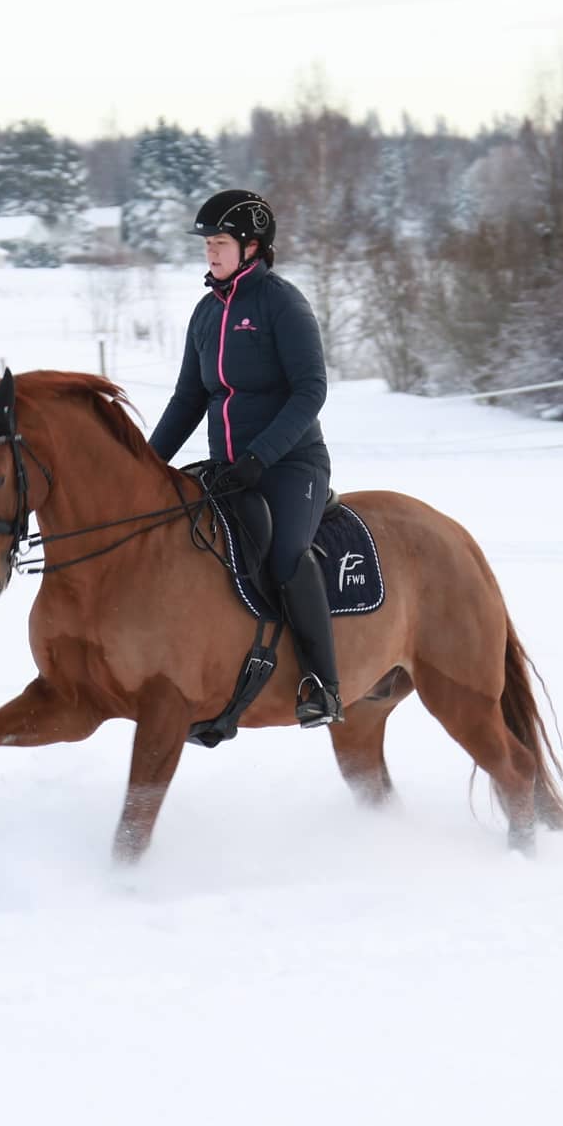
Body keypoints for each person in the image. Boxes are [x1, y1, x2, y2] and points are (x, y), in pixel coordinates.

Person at [149, 189, 342, 728]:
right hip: (230, 470)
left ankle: (322, 685)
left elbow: (311, 390)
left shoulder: (282, 303)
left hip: (291, 465)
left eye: (219, 243)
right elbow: (189, 399)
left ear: (251, 247)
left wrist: (262, 456)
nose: (210, 253)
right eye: (207, 244)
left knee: (284, 556)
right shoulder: (205, 314)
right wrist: (144, 465)